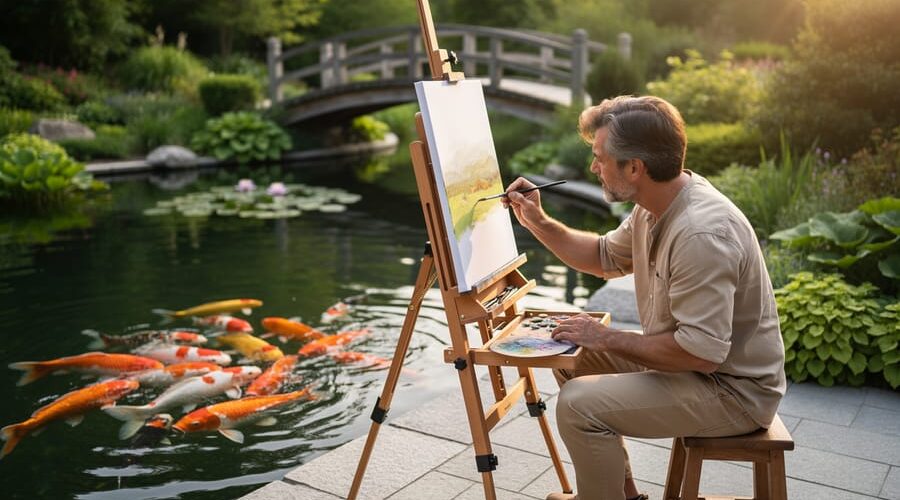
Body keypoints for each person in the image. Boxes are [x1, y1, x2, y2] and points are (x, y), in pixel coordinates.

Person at [502, 95, 785, 500]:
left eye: (600, 158)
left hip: (734, 392)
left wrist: (606, 337)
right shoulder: (654, 205)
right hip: (700, 370)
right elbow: (602, 256)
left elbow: (701, 353)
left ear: (635, 167)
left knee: (578, 405)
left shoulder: (701, 233)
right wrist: (538, 221)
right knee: (571, 358)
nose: (593, 168)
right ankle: (624, 494)